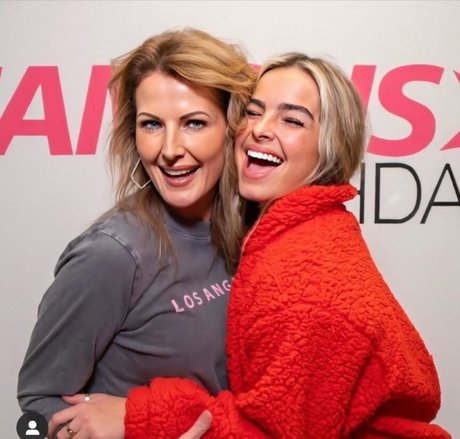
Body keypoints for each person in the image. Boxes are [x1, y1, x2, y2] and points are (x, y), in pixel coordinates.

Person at [121, 53, 451, 438]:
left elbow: (273, 433)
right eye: (252, 112)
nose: (259, 129)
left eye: (292, 120)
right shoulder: (306, 231)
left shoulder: (307, 289)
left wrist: (138, 415)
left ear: (330, 146)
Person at [17, 27, 256, 439]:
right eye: (152, 125)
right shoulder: (111, 255)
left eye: (194, 123)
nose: (170, 149)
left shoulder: (256, 231)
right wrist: (135, 429)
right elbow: (34, 417)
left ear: (232, 127)